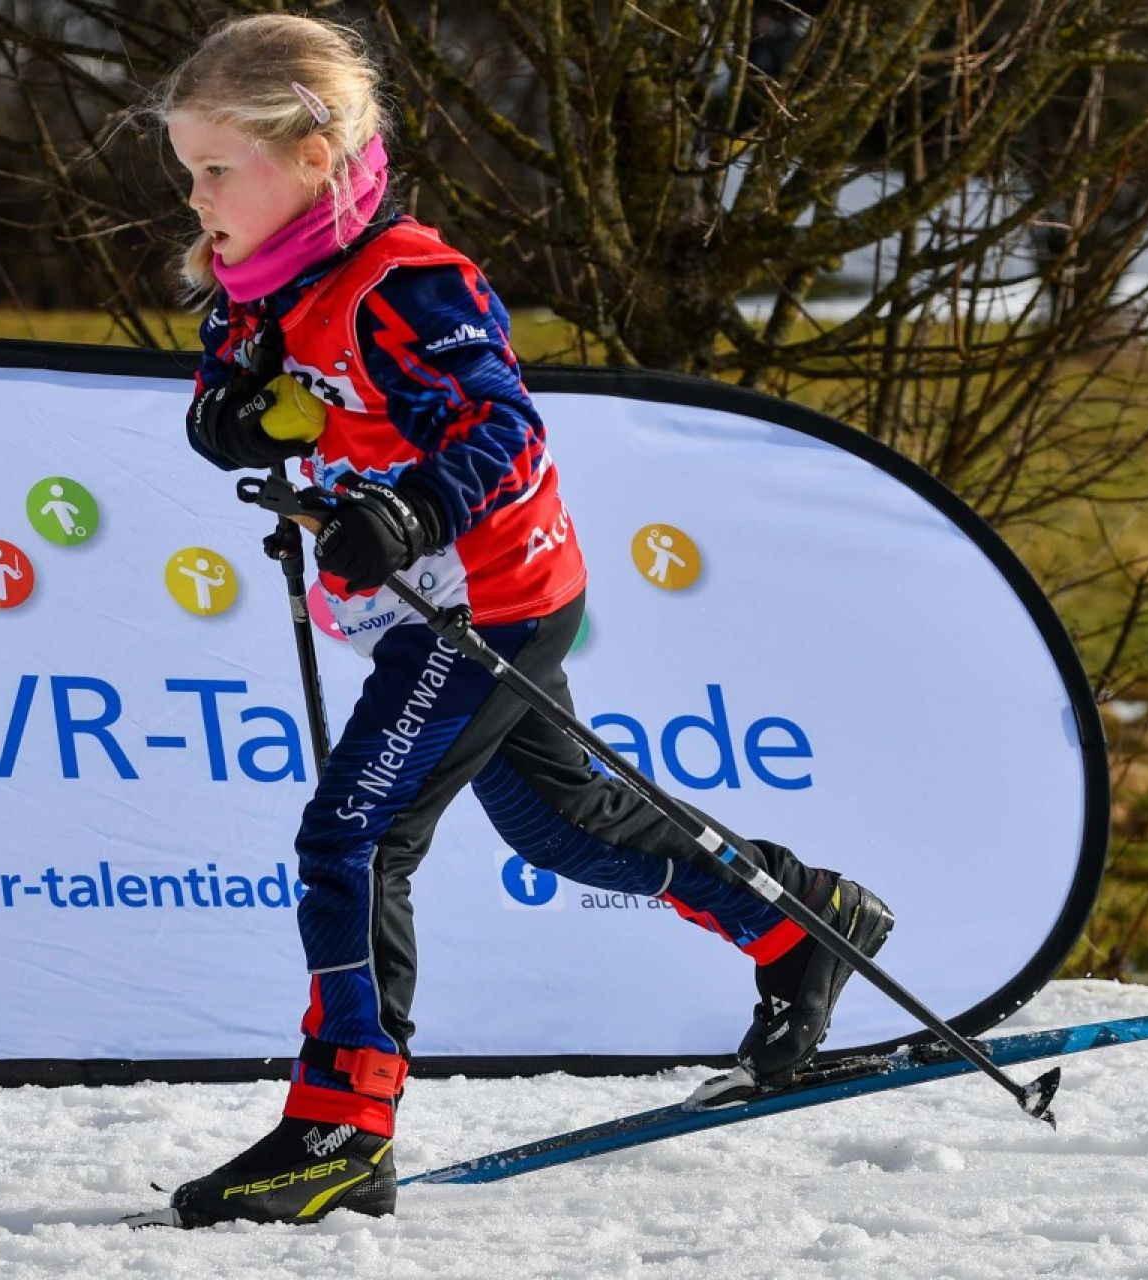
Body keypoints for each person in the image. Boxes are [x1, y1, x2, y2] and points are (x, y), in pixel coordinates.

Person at [152, 13, 892, 1228]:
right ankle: (798, 919)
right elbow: (217, 403)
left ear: (315, 155)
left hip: (484, 597)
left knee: (352, 838)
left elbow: (502, 428)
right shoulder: (254, 283)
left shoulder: (408, 282)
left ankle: (342, 1122)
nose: (197, 197)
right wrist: (232, 423)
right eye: (189, 169)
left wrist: (407, 511)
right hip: (414, 605)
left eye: (218, 167)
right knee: (564, 825)